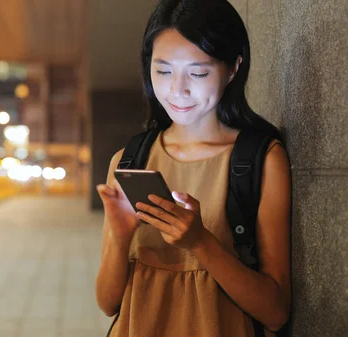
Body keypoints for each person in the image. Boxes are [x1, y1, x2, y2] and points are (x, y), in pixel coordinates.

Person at [95, 0, 292, 336]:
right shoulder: (129, 161)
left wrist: (200, 241)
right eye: (163, 70)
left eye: (198, 72)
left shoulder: (258, 160)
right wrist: (120, 236)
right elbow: (108, 303)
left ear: (233, 69)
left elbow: (274, 312)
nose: (178, 89)